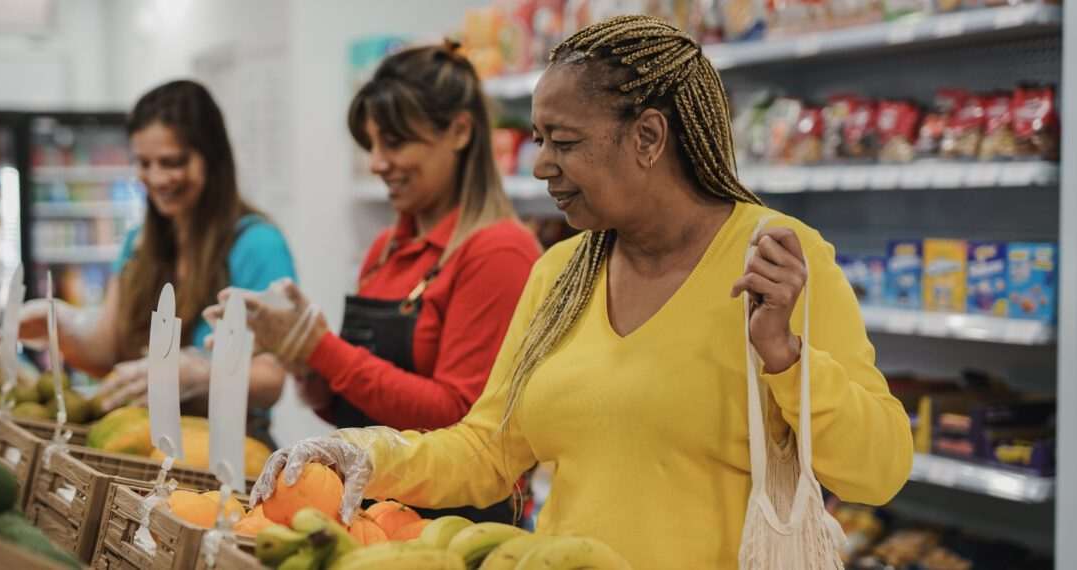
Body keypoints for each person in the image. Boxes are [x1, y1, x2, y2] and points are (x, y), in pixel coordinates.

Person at [232, 17, 913, 568]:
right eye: (537, 139)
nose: (541, 165)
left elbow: (878, 472)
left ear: (648, 137)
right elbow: (488, 450)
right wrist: (368, 453)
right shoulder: (561, 273)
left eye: (563, 141)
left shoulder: (777, 258)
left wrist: (786, 358)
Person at [207, 43, 541, 523]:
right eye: (372, 145)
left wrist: (321, 347)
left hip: (454, 528)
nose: (378, 162)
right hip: (372, 513)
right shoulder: (385, 250)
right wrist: (304, 366)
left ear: (460, 132)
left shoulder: (499, 253)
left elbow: (463, 423)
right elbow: (365, 415)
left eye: (396, 142)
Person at [19, 80, 296, 445]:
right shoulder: (139, 243)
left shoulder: (257, 245)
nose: (157, 178)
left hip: (229, 457)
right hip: (144, 450)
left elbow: (271, 378)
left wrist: (200, 374)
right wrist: (59, 326)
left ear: (211, 158)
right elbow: (107, 350)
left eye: (173, 162)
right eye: (144, 164)